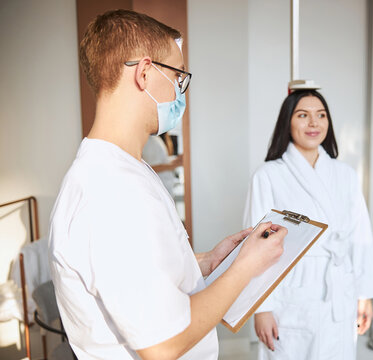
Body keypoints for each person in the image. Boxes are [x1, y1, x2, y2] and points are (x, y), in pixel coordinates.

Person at [48, 10, 286, 360]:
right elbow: (163, 343)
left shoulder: (128, 170)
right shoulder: (109, 191)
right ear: (144, 73)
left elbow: (141, 276)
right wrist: (245, 267)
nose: (180, 91)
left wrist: (205, 263)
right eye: (177, 76)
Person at [244, 89, 373, 359]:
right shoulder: (268, 176)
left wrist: (364, 294)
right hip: (292, 293)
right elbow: (255, 247)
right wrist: (262, 308)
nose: (314, 123)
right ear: (287, 122)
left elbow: (361, 237)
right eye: (303, 115)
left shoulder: (344, 175)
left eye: (321, 115)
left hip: (339, 290)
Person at [142, 133, 182, 197]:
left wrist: (176, 161)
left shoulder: (156, 139)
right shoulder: (150, 141)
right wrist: (173, 165)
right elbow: (151, 168)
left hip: (165, 190)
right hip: (157, 191)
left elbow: (162, 161)